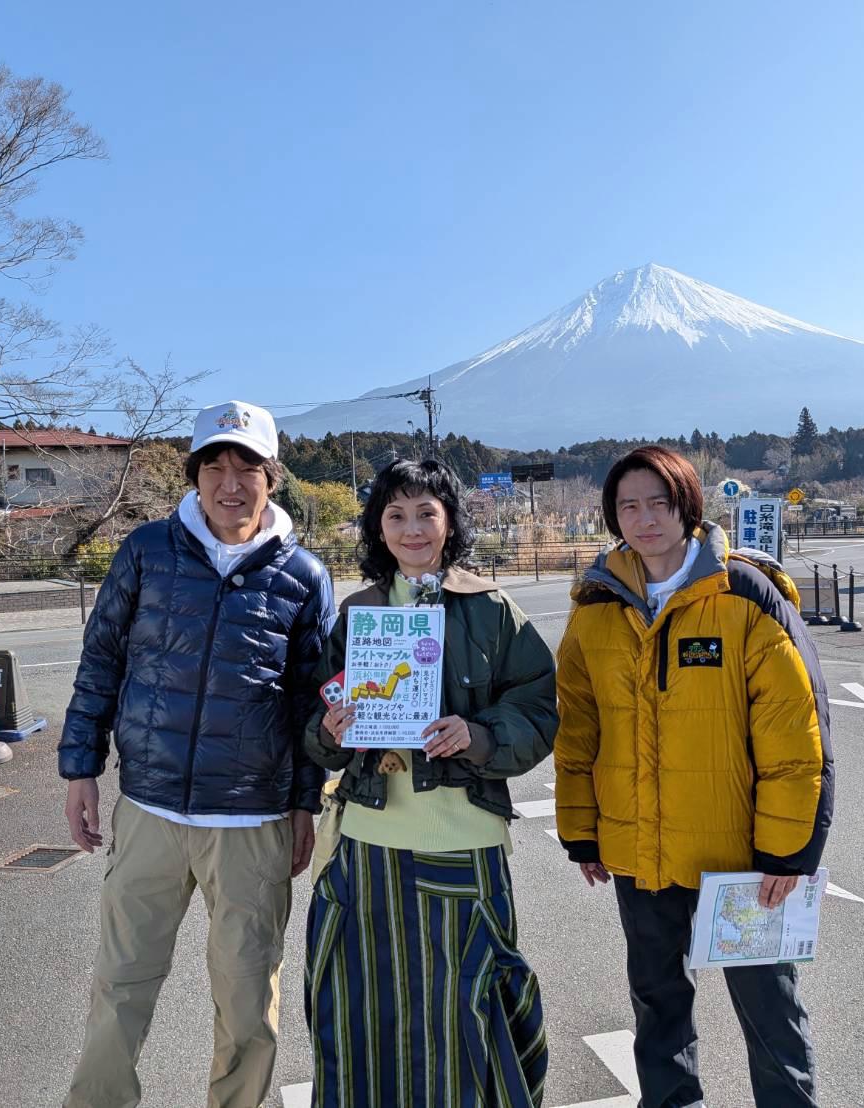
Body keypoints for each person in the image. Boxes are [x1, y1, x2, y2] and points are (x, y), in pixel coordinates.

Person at [58, 400, 335, 1108]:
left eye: (247, 467)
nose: (230, 482)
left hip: (252, 821)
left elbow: (310, 702)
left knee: (247, 1004)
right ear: (195, 474)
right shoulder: (148, 550)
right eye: (215, 465)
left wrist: (306, 803)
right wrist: (80, 771)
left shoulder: (302, 576)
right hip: (149, 806)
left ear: (271, 478)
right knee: (119, 987)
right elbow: (101, 662)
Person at [554, 445, 834, 1108]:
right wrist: (582, 833)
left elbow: (796, 734)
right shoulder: (595, 607)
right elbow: (577, 731)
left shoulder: (743, 595)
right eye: (628, 505)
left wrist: (789, 851)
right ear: (612, 515)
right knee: (657, 1010)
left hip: (740, 857)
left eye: (659, 501)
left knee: (770, 1013)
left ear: (687, 506)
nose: (645, 518)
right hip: (638, 850)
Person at [302, 457, 558, 1108]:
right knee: (362, 1014)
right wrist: (332, 731)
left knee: (467, 1012)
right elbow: (315, 727)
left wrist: (478, 737)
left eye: (426, 512)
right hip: (364, 841)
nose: (411, 528)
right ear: (376, 528)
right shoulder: (357, 613)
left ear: (449, 524)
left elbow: (536, 705)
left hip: (460, 839)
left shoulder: (490, 609)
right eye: (395, 514)